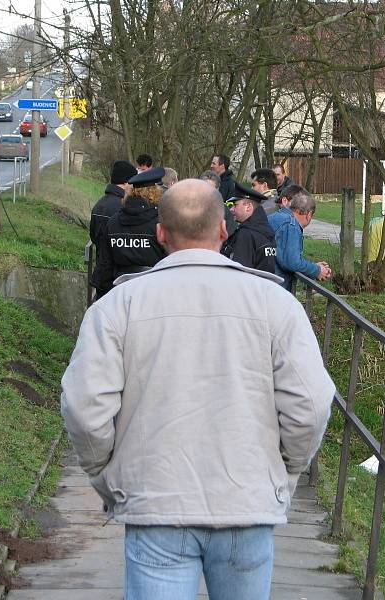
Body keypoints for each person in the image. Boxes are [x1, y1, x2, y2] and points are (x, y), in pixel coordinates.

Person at [61, 179, 334, 600]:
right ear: (224, 230)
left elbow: (84, 406)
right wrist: (285, 472)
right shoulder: (276, 303)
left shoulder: (118, 306)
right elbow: (311, 404)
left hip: (156, 504)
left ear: (160, 233)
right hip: (246, 502)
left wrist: (105, 475)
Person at [102, 166, 167, 292]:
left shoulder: (113, 222)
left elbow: (105, 262)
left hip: (119, 289)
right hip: (153, 289)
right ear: (155, 192)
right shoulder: (161, 222)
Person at [268, 186, 332, 291]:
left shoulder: (277, 217)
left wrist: (313, 266)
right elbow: (292, 262)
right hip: (274, 288)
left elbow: (285, 255)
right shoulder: (291, 225)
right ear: (309, 214)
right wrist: (317, 270)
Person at [89, 160, 137, 299]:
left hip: (101, 273)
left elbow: (93, 236)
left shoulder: (99, 204)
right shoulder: (123, 207)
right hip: (117, 276)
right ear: (126, 182)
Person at [222, 181, 277, 273]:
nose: (231, 209)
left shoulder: (246, 234)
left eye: (235, 205)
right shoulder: (265, 230)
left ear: (248, 207)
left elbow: (238, 272)